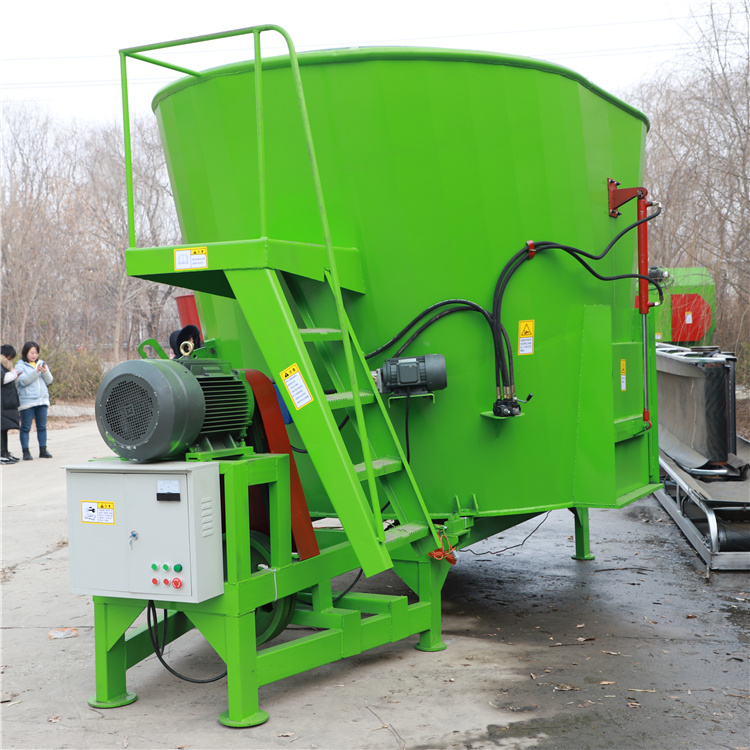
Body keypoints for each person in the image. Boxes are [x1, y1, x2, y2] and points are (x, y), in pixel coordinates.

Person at [15, 341, 54, 460]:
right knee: (26, 427)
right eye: (32, 352)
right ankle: (25, 451)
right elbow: (23, 381)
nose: (34, 355)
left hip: (42, 400)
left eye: (36, 353)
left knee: (42, 426)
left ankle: (43, 449)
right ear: (26, 352)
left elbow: (49, 380)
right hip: (27, 401)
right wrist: (36, 372)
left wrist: (45, 372)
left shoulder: (41, 363)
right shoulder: (20, 366)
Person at [1, 344, 21, 464]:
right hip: (1, 404)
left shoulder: (4, 366)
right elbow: (2, 379)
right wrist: (13, 374)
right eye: (10, 358)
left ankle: (5, 452)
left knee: (4, 429)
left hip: (7, 403)